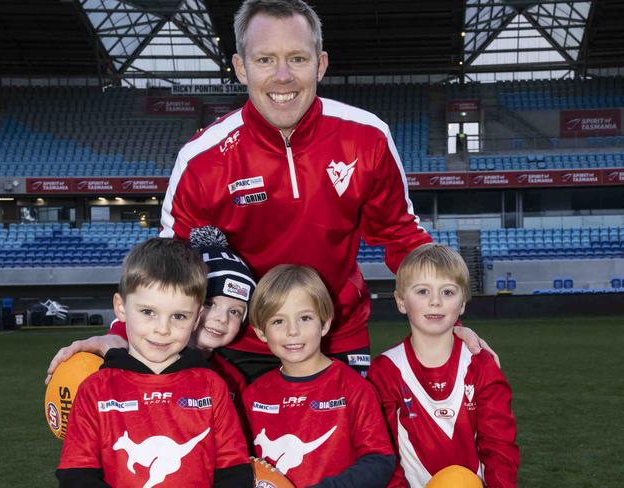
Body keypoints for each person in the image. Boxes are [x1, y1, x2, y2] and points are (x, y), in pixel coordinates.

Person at [46, 0, 496, 383]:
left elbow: (401, 236)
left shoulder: (367, 137)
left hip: (333, 336)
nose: (283, 76)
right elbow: (170, 268)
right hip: (233, 343)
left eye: (297, 59)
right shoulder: (203, 158)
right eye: (265, 60)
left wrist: (445, 318)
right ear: (241, 67)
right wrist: (121, 335)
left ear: (320, 63)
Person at [56, 238, 253, 487]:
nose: (163, 329)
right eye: (148, 312)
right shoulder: (94, 390)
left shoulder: (213, 387)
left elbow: (234, 470)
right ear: (121, 307)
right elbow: (76, 473)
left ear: (196, 320)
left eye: (179, 316)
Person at [367, 244, 519, 488]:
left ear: (463, 304)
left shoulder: (480, 365)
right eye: (422, 292)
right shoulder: (386, 370)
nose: (435, 301)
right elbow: (381, 450)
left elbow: (499, 446)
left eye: (448, 292)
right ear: (401, 301)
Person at [242, 264, 395, 487]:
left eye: (305, 318)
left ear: (324, 323)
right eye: (278, 321)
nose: (292, 330)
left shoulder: (354, 388)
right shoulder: (253, 396)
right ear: (260, 332)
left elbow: (380, 461)